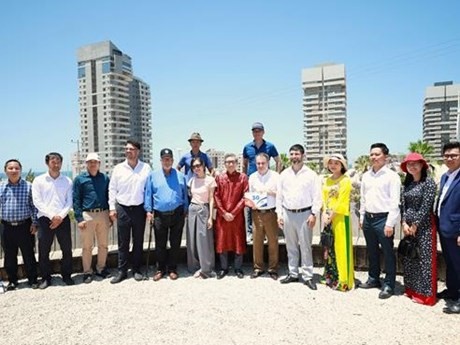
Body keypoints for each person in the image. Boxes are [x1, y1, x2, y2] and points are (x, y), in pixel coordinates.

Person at [276, 144, 322, 290]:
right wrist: (279, 214)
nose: (294, 157)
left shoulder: (311, 174)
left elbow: (317, 196)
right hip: (288, 213)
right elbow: (279, 197)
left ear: (303, 155)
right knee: (291, 246)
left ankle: (308, 276)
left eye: (297, 154)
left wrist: (314, 214)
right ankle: (293, 273)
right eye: (292, 154)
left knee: (306, 247)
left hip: (305, 214)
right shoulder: (284, 174)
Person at [359, 143, 400, 299]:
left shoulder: (392, 176)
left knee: (388, 253)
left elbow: (395, 202)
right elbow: (363, 198)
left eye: (377, 154)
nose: (374, 157)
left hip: (384, 219)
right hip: (369, 219)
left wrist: (390, 223)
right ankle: (373, 278)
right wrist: (362, 217)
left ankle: (389, 284)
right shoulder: (366, 176)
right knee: (372, 251)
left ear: (385, 157)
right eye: (372, 154)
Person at [109, 140, 151, 284]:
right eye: (126, 149)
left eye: (131, 149)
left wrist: (149, 209)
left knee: (138, 241)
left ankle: (136, 270)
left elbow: (149, 190)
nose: (128, 151)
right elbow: (112, 189)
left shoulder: (146, 168)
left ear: (138, 151)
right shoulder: (118, 168)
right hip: (123, 208)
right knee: (123, 242)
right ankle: (122, 271)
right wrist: (112, 208)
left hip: (139, 209)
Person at [145, 148, 188, 281]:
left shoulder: (181, 176)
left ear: (173, 160)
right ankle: (160, 269)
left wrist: (185, 209)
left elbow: (185, 194)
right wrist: (148, 210)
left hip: (177, 213)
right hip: (159, 215)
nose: (167, 161)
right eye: (164, 159)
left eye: (169, 159)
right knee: (160, 244)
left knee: (175, 244)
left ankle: (172, 269)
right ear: (161, 160)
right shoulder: (153, 175)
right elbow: (148, 194)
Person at [400, 152, 437, 305]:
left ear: (422, 165)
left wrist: (415, 224)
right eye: (409, 164)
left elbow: (426, 206)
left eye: (416, 163)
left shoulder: (428, 183)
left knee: (424, 260)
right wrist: (404, 223)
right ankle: (411, 290)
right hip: (408, 226)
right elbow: (402, 205)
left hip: (424, 226)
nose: (412, 166)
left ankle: (425, 295)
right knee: (410, 257)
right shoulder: (406, 184)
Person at [32, 152, 74, 289]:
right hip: (45, 220)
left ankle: (66, 275)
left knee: (67, 249)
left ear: (61, 163)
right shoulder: (39, 181)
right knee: (43, 251)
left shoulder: (67, 181)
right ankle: (45, 278)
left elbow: (69, 202)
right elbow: (37, 201)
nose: (56, 164)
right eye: (53, 162)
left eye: (58, 162)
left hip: (63, 219)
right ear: (47, 163)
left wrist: (60, 217)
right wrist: (52, 216)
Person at [73, 153, 111, 284]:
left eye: (95, 162)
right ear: (86, 164)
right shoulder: (79, 179)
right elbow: (76, 199)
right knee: (87, 246)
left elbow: (109, 196)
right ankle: (87, 272)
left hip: (103, 213)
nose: (92, 164)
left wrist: (110, 214)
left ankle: (101, 269)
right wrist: (79, 218)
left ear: (99, 163)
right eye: (90, 162)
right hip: (87, 215)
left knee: (103, 245)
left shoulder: (105, 178)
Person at [0, 159, 38, 290]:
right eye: (10, 168)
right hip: (6, 226)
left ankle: (33, 280)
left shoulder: (29, 186)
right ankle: (12, 281)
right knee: (9, 256)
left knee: (28, 254)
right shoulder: (1, 187)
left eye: (16, 168)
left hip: (25, 226)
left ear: (20, 170)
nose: (14, 171)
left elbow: (34, 206)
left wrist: (34, 223)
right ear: (6, 171)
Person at [243, 122, 282, 242]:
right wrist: (245, 178)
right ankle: (250, 231)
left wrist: (277, 176)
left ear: (263, 132)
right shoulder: (247, 147)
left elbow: (278, 161)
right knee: (252, 206)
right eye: (255, 131)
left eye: (259, 131)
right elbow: (244, 164)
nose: (257, 133)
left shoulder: (270, 146)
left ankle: (266, 232)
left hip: (266, 179)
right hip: (253, 179)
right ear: (252, 133)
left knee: (267, 206)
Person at [321, 154, 354, 291]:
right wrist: (324, 213)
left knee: (341, 248)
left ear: (342, 165)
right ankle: (330, 276)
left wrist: (332, 215)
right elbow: (324, 198)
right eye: (331, 163)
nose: (333, 165)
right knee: (330, 247)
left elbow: (342, 201)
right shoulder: (327, 180)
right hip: (328, 217)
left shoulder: (345, 180)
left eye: (336, 163)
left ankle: (344, 280)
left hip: (340, 218)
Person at [246, 153, 280, 280]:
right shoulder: (252, 177)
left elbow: (281, 195)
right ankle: (258, 267)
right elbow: (249, 194)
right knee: (257, 242)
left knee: (273, 242)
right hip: (257, 213)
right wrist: (251, 203)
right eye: (258, 163)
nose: (260, 165)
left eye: (263, 163)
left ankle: (273, 268)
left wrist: (268, 192)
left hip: (271, 212)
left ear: (268, 162)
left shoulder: (276, 176)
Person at [214, 153, 248, 279]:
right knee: (222, 242)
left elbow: (245, 196)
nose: (230, 164)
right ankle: (224, 268)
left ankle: (238, 268)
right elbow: (216, 195)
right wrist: (223, 212)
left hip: (237, 216)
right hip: (222, 217)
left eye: (233, 162)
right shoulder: (220, 178)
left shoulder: (243, 178)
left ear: (237, 163)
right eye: (228, 162)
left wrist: (233, 213)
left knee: (238, 241)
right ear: (225, 164)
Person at [436, 141, 460, 314]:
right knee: (451, 263)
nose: (449, 158)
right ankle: (452, 291)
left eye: (454, 155)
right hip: (444, 227)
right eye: (447, 155)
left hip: (456, 230)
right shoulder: (445, 176)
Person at [186, 156, 217, 279]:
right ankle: (194, 266)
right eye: (194, 166)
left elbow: (211, 199)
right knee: (192, 240)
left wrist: (210, 217)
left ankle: (206, 268)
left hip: (204, 210)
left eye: (198, 165)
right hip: (192, 209)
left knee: (204, 240)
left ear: (203, 166)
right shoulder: (191, 180)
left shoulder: (210, 180)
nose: (196, 168)